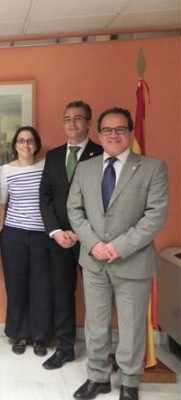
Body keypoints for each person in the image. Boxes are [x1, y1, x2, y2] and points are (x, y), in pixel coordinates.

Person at [68, 107, 168, 400]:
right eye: (107, 130)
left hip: (133, 261)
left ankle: (129, 383)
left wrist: (118, 247)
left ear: (130, 132)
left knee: (132, 327)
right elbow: (74, 210)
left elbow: (155, 215)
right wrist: (93, 244)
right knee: (96, 325)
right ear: (98, 134)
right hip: (94, 262)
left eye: (120, 129)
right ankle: (97, 377)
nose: (113, 135)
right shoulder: (85, 168)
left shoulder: (152, 168)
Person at [39, 101, 103, 370]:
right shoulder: (53, 156)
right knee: (62, 295)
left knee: (98, 298)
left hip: (92, 240)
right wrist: (55, 231)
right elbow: (45, 196)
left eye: (78, 118)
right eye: (67, 119)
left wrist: (80, 232)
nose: (72, 123)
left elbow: (106, 199)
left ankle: (99, 354)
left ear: (89, 123)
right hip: (59, 240)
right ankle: (65, 348)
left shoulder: (102, 153)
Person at [0, 126, 52, 357]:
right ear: (15, 145)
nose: (25, 145)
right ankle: (19, 334)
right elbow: (2, 203)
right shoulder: (6, 170)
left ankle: (40, 337)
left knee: (41, 288)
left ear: (36, 145)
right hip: (13, 235)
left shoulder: (46, 167)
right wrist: (1, 232)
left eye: (30, 141)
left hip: (42, 235)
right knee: (16, 287)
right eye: (21, 140)